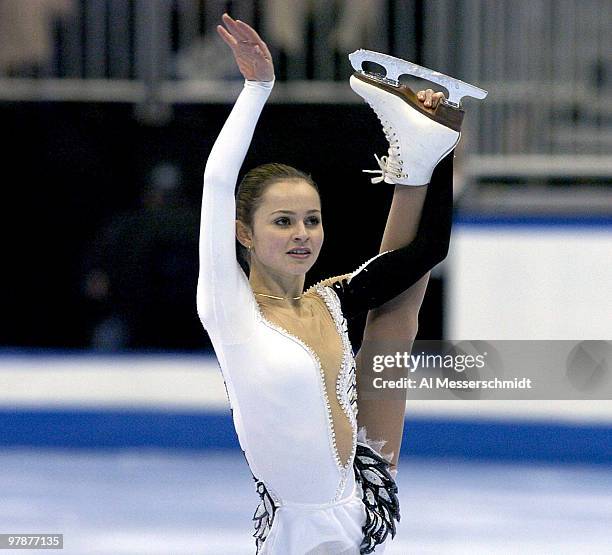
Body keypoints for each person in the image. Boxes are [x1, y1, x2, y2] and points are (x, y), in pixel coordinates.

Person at [197, 13, 457, 555]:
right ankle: (417, 156)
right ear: (243, 233)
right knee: (394, 321)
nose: (302, 235)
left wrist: (445, 154)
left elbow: (426, 253)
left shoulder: (330, 302)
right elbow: (218, 181)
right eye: (282, 221)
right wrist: (257, 88)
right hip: (302, 531)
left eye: (311, 220)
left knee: (397, 317)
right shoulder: (230, 310)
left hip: (359, 505)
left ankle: (419, 151)